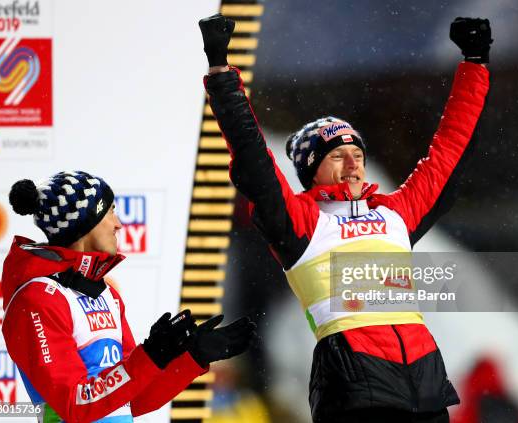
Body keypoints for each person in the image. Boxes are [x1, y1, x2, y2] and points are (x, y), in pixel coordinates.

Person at [198, 14, 491, 423]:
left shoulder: (394, 214)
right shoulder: (301, 222)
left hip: (425, 387)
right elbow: (251, 157)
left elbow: (450, 150)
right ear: (312, 170)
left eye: (358, 153)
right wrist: (221, 71)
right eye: (337, 155)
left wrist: (475, 65)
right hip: (355, 390)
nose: (353, 163)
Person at [2, 170, 256, 423]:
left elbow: (134, 398)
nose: (119, 224)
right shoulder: (37, 299)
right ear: (85, 222)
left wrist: (193, 357)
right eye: (110, 211)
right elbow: (73, 403)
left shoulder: (105, 295)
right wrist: (150, 355)